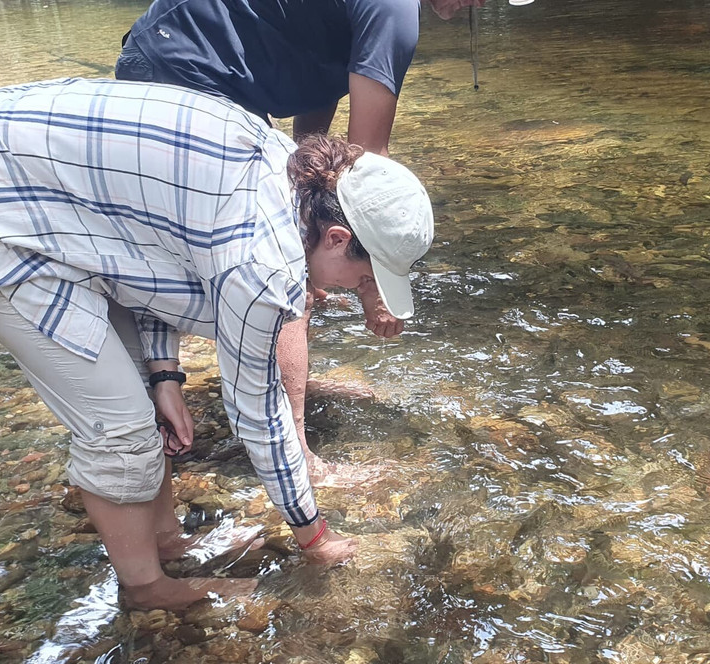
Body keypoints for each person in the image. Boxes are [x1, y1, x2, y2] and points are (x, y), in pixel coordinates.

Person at [0, 77, 435, 611]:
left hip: (37, 180)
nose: (356, 290)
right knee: (119, 427)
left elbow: (151, 253)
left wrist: (165, 374)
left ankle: (167, 540)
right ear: (336, 238)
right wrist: (314, 534)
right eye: (365, 277)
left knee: (144, 396)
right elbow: (257, 411)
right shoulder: (261, 262)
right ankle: (145, 588)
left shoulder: (295, 172)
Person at [114, 0, 484, 484]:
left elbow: (318, 147)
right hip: (183, 66)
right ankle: (294, 450)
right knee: (284, 264)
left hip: (192, 60)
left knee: (293, 240)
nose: (481, 4)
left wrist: (310, 219)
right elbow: (363, 172)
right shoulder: (394, 13)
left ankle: (271, 388)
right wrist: (374, 293)